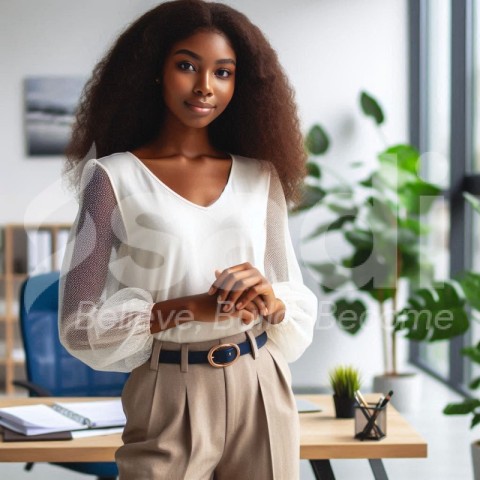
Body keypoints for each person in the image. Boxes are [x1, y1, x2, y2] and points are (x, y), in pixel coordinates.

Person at [59, 0, 318, 478]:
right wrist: (190, 309)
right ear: (154, 72)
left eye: (223, 72)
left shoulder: (261, 176)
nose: (205, 86)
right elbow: (78, 324)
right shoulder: (112, 178)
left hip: (261, 380)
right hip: (169, 392)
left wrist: (270, 299)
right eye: (186, 66)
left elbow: (292, 295)